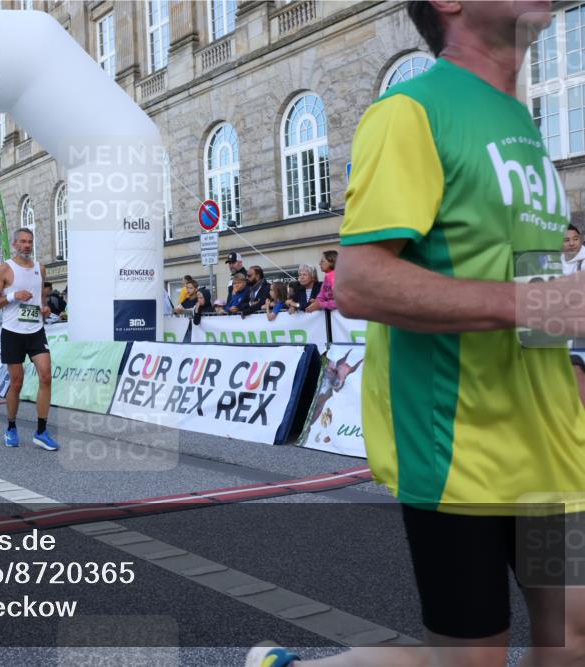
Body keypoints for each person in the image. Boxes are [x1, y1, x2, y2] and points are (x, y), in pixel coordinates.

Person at [246, 2, 585, 666]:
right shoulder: (411, 111)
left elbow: (530, 281)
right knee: (468, 660)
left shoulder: (522, 122)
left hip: (551, 450)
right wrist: (534, 302)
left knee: (574, 636)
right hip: (460, 448)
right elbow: (362, 283)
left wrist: (568, 373)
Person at [0, 227, 59, 451]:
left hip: (35, 330)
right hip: (12, 332)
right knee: (16, 382)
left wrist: (44, 309)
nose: (27, 245)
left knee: (46, 377)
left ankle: (41, 431)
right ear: (15, 244)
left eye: (30, 241)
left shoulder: (41, 269)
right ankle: (11, 426)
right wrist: (12, 296)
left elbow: (38, 299)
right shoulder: (6, 269)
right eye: (23, 242)